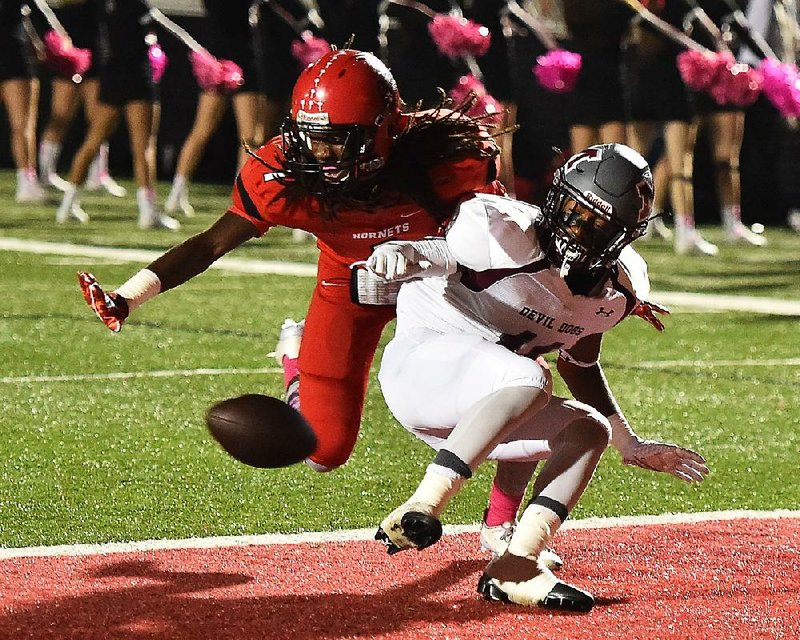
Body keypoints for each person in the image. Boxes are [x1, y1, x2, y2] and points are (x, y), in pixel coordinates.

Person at [77, 48, 505, 474]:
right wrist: (128, 297)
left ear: (384, 129)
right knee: (323, 451)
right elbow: (210, 244)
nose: (321, 155)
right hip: (351, 286)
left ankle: (506, 523)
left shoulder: (448, 156)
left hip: (445, 284)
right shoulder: (280, 174)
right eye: (311, 139)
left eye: (337, 141)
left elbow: (506, 237)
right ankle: (295, 358)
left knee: (513, 389)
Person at [368, 143, 709, 612]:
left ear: (624, 234)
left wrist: (629, 444)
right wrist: (404, 253)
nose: (577, 228)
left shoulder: (615, 291)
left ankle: (517, 564)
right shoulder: (503, 229)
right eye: (573, 210)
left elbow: (580, 363)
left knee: (588, 429)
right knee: (529, 375)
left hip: (483, 412)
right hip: (422, 373)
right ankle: (424, 504)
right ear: (555, 197)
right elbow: (443, 253)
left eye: (597, 223)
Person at [55, 0, 178, 229]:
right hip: (137, 78)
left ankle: (67, 205)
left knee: (92, 142)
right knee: (144, 147)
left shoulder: (105, 5)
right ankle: (147, 212)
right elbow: (150, 35)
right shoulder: (137, 6)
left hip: (111, 76)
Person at [164, 0, 265, 218]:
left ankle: (179, 192)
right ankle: (241, 199)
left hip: (225, 59)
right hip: (234, 60)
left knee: (212, 133)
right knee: (245, 138)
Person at [38, 0, 126, 198]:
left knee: (98, 119)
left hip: (95, 46)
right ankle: (46, 173)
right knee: (60, 115)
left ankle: (98, 174)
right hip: (67, 47)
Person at [2, 0, 45, 203]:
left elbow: (24, 14)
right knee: (23, 124)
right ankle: (26, 183)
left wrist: (34, 41)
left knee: (22, 124)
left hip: (14, 50)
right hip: (13, 52)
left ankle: (27, 182)